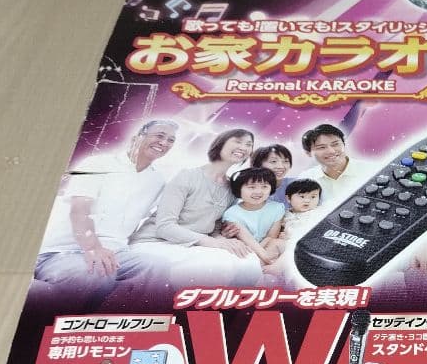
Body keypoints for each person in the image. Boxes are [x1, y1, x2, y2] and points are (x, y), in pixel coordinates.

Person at [33, 118, 178, 307]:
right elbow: (79, 210)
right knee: (99, 272)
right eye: (159, 136)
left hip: (117, 253)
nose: (164, 143)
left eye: (170, 140)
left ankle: (133, 320)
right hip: (65, 251)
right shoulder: (98, 164)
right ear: (137, 137)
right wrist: (93, 248)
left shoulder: (157, 180)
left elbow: (160, 218)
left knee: (157, 266)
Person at [129, 128, 263, 288]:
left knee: (248, 260)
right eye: (238, 141)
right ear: (221, 143)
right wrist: (214, 243)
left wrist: (224, 239)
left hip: (193, 245)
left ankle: (235, 302)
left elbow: (214, 228)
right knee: (214, 265)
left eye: (248, 144)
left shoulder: (231, 189)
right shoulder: (187, 176)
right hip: (155, 242)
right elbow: (164, 227)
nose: (243, 147)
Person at [222, 168, 286, 264]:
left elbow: (271, 237)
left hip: (267, 247)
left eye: (264, 186)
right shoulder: (231, 214)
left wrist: (263, 255)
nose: (258, 192)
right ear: (239, 189)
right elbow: (247, 240)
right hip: (245, 250)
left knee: (281, 244)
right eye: (251, 187)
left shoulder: (277, 208)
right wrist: (265, 258)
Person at [295, 123, 367, 205]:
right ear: (308, 153)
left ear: (344, 144)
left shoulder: (371, 171)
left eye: (335, 144)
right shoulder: (305, 178)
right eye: (321, 147)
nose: (331, 151)